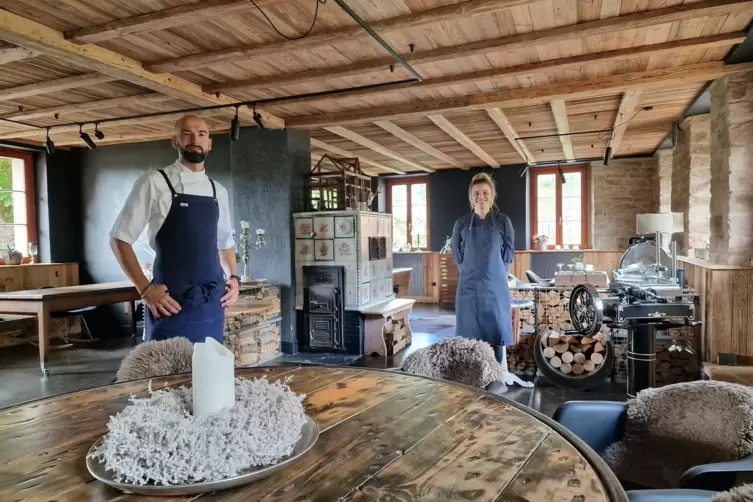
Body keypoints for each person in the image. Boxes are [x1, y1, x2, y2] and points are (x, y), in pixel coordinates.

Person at [110, 115, 240, 344]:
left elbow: (225, 242)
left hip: (212, 301)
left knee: (208, 370)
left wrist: (234, 278)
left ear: (209, 143)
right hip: (171, 302)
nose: (195, 139)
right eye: (187, 133)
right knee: (165, 373)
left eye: (202, 134)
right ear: (175, 141)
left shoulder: (218, 190)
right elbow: (119, 239)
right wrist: (145, 289)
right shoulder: (154, 182)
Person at [451, 173, 533, 389]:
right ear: (471, 196)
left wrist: (493, 273)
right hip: (468, 287)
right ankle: (470, 377)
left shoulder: (503, 222)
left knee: (495, 330)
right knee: (469, 333)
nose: (481, 197)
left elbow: (508, 254)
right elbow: (457, 255)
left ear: (492, 195)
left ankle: (495, 377)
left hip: (495, 286)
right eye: (476, 193)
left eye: (485, 193)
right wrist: (470, 273)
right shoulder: (460, 224)